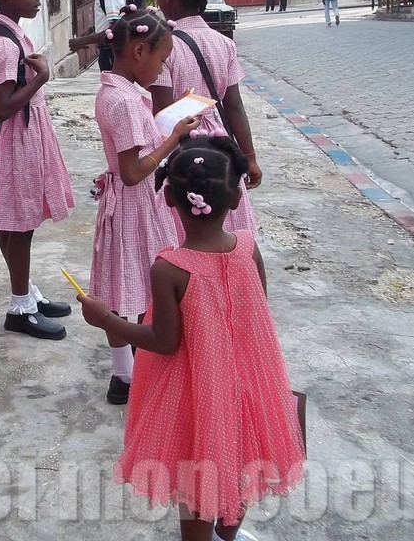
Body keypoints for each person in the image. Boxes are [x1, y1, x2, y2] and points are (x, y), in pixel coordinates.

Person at [78, 134, 306, 541]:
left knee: (200, 478)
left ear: (168, 199)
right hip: (250, 383)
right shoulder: (248, 248)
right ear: (236, 199)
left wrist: (107, 319)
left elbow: (163, 341)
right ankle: (226, 535)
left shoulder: (169, 268)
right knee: (239, 462)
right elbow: (259, 315)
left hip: (198, 392)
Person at [90, 6, 198, 406]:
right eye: (161, 59)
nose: (162, 69)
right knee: (126, 293)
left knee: (129, 288)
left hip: (136, 205)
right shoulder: (122, 101)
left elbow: (138, 147)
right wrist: (173, 140)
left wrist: (170, 119)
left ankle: (128, 370)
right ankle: (125, 375)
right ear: (138, 51)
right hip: (133, 204)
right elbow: (133, 170)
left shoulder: (123, 93)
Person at [0, 0, 75, 340]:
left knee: (18, 222)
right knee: (20, 224)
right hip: (17, 135)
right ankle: (20, 305)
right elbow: (4, 106)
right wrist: (42, 78)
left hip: (25, 132)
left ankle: (26, 292)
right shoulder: (3, 43)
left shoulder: (12, 30)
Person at [150, 0, 262, 234]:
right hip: (220, 147)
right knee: (222, 224)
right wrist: (249, 158)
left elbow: (161, 113)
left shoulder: (164, 49)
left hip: (181, 145)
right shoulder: (223, 43)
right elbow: (234, 106)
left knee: (184, 226)